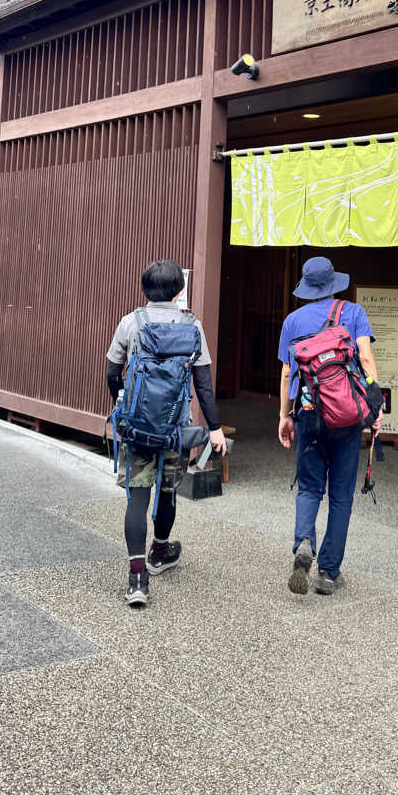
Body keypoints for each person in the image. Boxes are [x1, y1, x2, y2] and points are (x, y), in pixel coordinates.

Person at [106, 259, 226, 608]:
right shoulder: (192, 326)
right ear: (179, 291)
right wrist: (214, 428)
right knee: (168, 491)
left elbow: (113, 372)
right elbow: (203, 384)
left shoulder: (131, 322)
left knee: (138, 497)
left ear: (145, 289)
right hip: (177, 427)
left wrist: (122, 403)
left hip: (137, 425)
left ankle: (137, 580)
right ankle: (160, 551)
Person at [278, 256, 380, 596]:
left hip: (307, 415)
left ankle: (304, 542)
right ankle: (329, 573)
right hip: (346, 418)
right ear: (334, 282)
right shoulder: (352, 313)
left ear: (307, 287)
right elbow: (365, 359)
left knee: (308, 488)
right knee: (340, 497)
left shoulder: (292, 321)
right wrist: (374, 406)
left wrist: (284, 416)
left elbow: (287, 373)